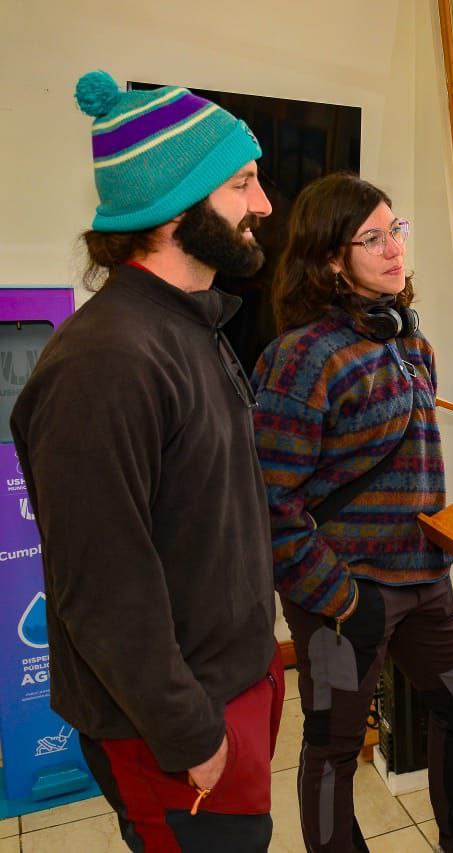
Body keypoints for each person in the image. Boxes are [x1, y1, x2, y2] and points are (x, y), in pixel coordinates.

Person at [10, 71, 283, 850]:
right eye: (241, 184)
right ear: (175, 205)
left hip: (228, 685)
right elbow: (101, 586)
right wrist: (189, 732)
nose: (262, 205)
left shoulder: (190, 326)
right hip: (175, 721)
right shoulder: (105, 362)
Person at [252, 173, 453, 853]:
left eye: (395, 230)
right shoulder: (300, 358)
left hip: (422, 579)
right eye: (370, 238)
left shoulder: (410, 343)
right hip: (342, 599)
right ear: (329, 258)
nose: (392, 249)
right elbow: (269, 503)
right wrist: (343, 598)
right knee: (333, 747)